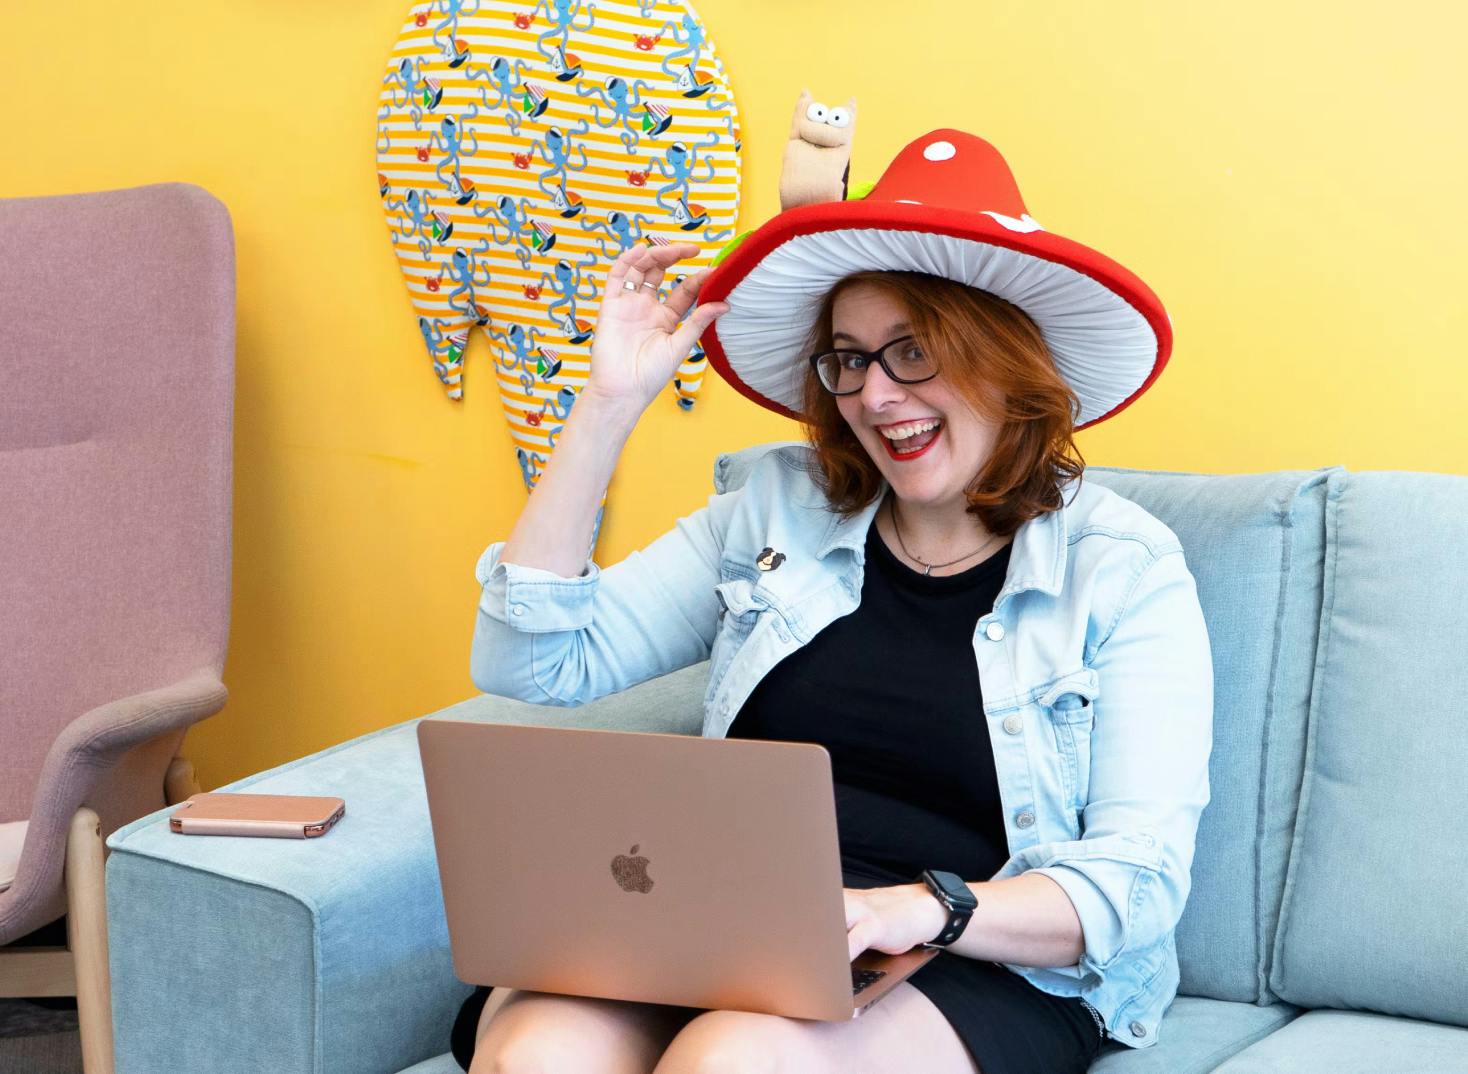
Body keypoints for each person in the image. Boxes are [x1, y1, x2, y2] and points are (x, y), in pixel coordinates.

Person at [456, 129, 1214, 1074]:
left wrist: (922, 907)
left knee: (732, 1060)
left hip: (970, 952)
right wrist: (608, 405)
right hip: (723, 915)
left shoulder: (1124, 569)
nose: (875, 393)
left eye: (914, 352)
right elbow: (533, 663)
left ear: (1004, 363)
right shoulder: (776, 510)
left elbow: (1134, 885)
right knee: (539, 1051)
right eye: (850, 360)